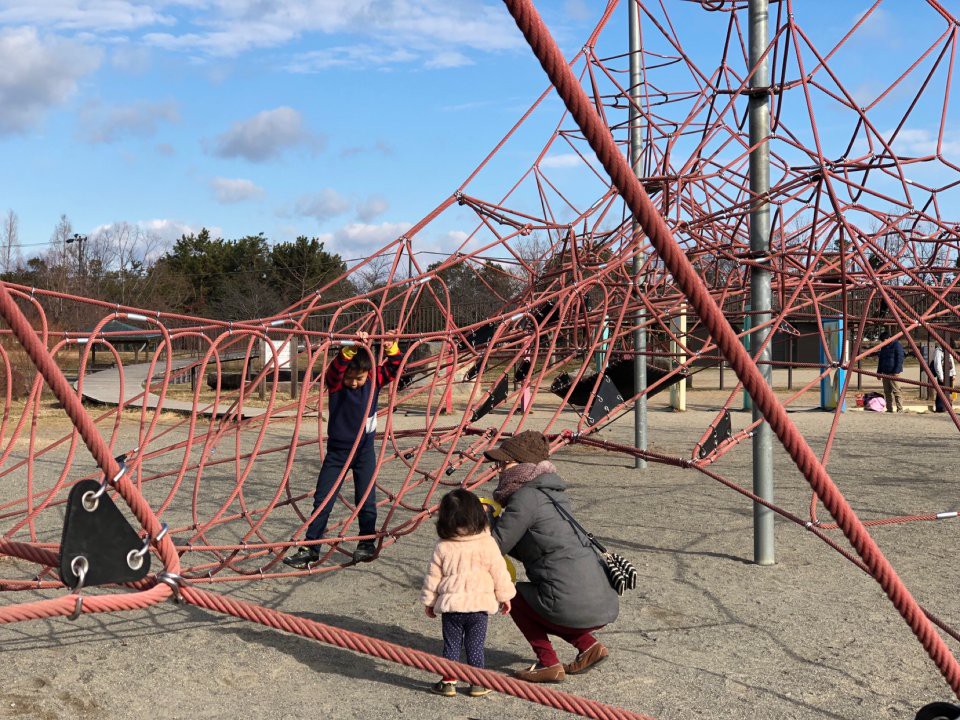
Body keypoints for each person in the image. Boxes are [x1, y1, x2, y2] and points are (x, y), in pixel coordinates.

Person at [485, 430, 618, 684]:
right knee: (551, 598)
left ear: (523, 465)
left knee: (514, 595)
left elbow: (494, 547)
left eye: (505, 462)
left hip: (574, 604)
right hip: (600, 601)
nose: (499, 469)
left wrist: (486, 521)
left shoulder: (525, 497)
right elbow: (529, 548)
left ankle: (548, 663)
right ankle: (589, 646)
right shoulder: (553, 493)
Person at [284, 331, 401, 567]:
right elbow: (336, 370)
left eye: (359, 378)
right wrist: (350, 348)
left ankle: (366, 542)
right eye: (351, 378)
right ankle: (311, 546)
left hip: (364, 451)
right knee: (323, 498)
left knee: (366, 497)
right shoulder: (337, 384)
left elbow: (396, 367)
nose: (355, 382)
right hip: (338, 452)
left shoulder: (373, 379)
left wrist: (391, 347)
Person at [420, 489, 515, 697]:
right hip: (479, 607)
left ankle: (448, 681)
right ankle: (477, 682)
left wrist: (430, 601)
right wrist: (505, 596)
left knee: (451, 645)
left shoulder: (443, 546)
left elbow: (433, 576)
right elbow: (499, 571)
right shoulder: (487, 543)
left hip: (452, 607)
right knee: (475, 645)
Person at [876, 330, 905, 413]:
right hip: (885, 372)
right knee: (887, 392)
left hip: (894, 372)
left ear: (889, 338)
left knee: (896, 391)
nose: (882, 342)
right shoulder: (883, 347)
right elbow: (881, 360)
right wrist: (879, 372)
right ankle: (889, 408)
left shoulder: (897, 345)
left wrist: (896, 371)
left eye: (883, 340)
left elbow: (900, 359)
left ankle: (900, 409)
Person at [932, 341, 955, 413]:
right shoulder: (938, 351)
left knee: (950, 392)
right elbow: (937, 365)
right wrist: (941, 377)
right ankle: (939, 407)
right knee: (941, 392)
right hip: (943, 374)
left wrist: (954, 373)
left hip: (949, 374)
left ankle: (949, 407)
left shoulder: (948, 351)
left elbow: (952, 361)